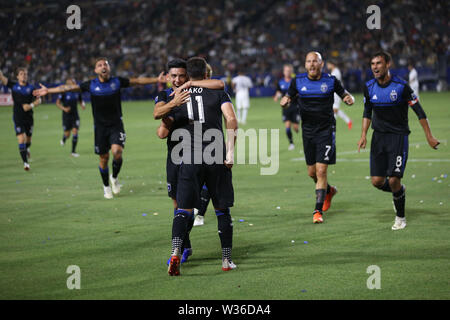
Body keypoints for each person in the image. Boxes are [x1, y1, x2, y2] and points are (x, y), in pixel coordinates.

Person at [33, 57, 166, 198]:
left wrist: (156, 79)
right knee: (103, 158)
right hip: (100, 128)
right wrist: (49, 91)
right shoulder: (91, 85)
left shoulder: (117, 82)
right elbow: (68, 87)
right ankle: (106, 186)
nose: (103, 66)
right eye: (100, 65)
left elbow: (137, 81)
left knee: (117, 152)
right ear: (96, 70)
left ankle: (114, 177)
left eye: (105, 64)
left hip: (116, 125)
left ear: (109, 68)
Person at [166, 57, 238, 276]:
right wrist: (230, 151)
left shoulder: (179, 95)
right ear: (207, 74)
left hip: (188, 157)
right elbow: (231, 119)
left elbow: (163, 128)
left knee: (183, 210)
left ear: (187, 75)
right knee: (221, 210)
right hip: (215, 156)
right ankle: (226, 259)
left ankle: (176, 251)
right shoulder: (218, 92)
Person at [357, 51, 439, 230]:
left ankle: (400, 218)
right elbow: (367, 111)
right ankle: (399, 193)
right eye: (372, 64)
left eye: (379, 63)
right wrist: (363, 134)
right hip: (378, 138)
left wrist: (429, 136)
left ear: (388, 64)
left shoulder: (401, 86)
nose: (375, 67)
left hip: (398, 137)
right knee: (377, 182)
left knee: (393, 179)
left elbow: (419, 111)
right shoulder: (369, 86)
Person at [154, 58, 224, 265]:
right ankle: (186, 245)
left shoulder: (196, 91)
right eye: (173, 76)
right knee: (177, 203)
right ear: (167, 77)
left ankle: (178, 248)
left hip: (197, 155)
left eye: (181, 76)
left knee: (187, 204)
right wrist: (173, 105)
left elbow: (220, 84)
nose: (177, 79)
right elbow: (157, 114)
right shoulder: (164, 95)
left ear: (187, 76)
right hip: (175, 155)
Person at [281, 52, 354, 224]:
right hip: (308, 131)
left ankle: (317, 211)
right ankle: (329, 191)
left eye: (315, 61)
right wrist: (285, 100)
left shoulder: (330, 80)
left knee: (321, 171)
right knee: (312, 173)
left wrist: (348, 98)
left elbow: (344, 93)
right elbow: (288, 95)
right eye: (309, 61)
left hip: (326, 130)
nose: (312, 64)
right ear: (305, 64)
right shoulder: (298, 81)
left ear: (322, 64)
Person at [0, 68, 42, 171]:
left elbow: (39, 99)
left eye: (25, 74)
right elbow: (2, 78)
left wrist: (32, 105)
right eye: (21, 74)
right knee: (21, 139)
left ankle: (27, 148)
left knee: (28, 140)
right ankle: (25, 163)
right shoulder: (14, 86)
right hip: (18, 117)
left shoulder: (31, 88)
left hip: (29, 118)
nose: (24, 76)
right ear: (17, 76)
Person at [56, 78, 86, 157]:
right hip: (66, 116)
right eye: (72, 83)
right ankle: (64, 138)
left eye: (74, 83)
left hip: (75, 115)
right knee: (67, 134)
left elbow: (80, 100)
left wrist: (82, 104)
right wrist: (64, 109)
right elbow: (58, 103)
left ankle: (73, 152)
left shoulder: (77, 92)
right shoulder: (64, 92)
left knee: (75, 131)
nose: (73, 84)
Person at [273, 64, 300, 150]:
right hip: (286, 108)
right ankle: (291, 143)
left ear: (291, 72)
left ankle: (296, 127)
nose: (287, 72)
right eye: (286, 70)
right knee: (287, 127)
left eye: (289, 71)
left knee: (296, 128)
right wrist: (276, 96)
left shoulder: (294, 81)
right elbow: (279, 91)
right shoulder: (280, 82)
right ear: (284, 72)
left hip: (295, 107)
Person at [326, 61, 352, 129]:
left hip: (337, 93)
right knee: (335, 109)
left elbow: (335, 83)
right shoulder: (334, 71)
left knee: (334, 109)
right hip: (334, 92)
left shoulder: (336, 72)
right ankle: (348, 121)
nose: (327, 66)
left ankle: (332, 125)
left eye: (328, 64)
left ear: (332, 64)